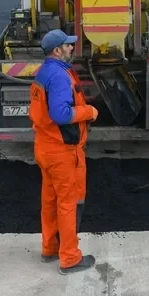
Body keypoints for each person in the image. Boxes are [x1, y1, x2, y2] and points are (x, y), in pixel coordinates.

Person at [30, 29, 99, 274]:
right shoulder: (59, 76)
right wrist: (88, 112)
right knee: (68, 203)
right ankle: (69, 257)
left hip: (45, 147)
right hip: (62, 152)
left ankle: (50, 248)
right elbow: (61, 114)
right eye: (68, 46)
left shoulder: (44, 72)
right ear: (57, 50)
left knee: (49, 200)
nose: (72, 48)